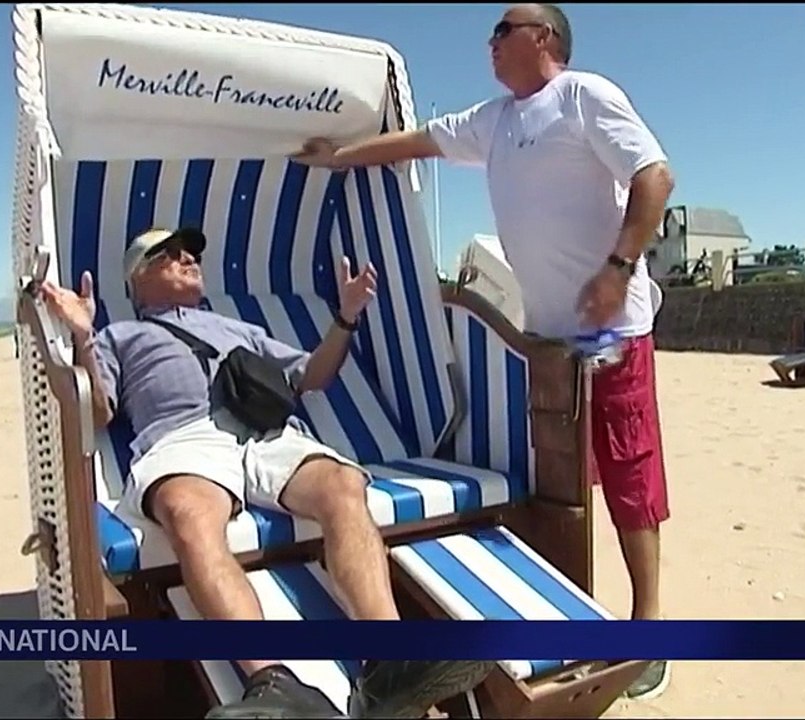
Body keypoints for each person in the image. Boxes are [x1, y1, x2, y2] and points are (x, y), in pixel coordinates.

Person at [294, 3, 676, 700]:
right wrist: (340, 158)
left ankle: (648, 629)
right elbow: (416, 143)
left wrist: (618, 270)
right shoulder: (493, 121)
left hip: (615, 332)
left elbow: (655, 177)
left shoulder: (586, 96)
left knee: (630, 477)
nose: (489, 42)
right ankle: (574, 610)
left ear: (543, 38)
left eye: (503, 29)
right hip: (546, 339)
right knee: (564, 484)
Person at [38, 227, 496, 719]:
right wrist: (84, 336)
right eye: (169, 254)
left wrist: (346, 316)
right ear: (137, 278)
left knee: (343, 484)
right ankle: (272, 683)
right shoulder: (119, 336)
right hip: (184, 440)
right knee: (187, 513)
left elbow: (313, 376)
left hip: (268, 434)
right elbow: (98, 414)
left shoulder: (238, 328)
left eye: (192, 253)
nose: (189, 258)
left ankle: (389, 661)